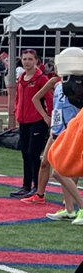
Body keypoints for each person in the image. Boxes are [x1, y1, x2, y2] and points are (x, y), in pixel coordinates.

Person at [32, 52, 83, 220]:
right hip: (57, 130)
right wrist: (46, 116)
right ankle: (69, 209)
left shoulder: (77, 84)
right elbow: (36, 98)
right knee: (55, 168)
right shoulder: (58, 83)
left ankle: (79, 206)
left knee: (62, 171)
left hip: (70, 130)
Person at [12, 49, 51, 201]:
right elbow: (18, 98)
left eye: (30, 59)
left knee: (34, 154)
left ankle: (37, 186)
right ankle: (26, 185)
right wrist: (17, 112)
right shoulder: (22, 76)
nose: (27, 61)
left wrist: (47, 116)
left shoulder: (41, 78)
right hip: (24, 121)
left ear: (36, 61)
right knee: (25, 155)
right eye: (24, 59)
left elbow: (48, 98)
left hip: (37, 121)